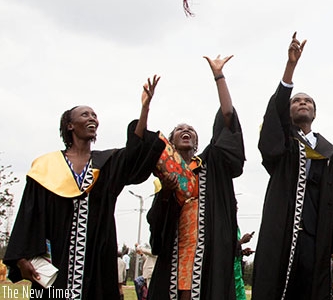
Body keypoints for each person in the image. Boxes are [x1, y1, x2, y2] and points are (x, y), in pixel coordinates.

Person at [3, 76, 166, 299]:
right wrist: (22, 257)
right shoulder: (47, 167)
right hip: (56, 259)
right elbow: (28, 217)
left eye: (94, 115)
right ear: (70, 125)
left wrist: (144, 109)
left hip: (98, 260)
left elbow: (133, 154)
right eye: (85, 114)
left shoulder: (106, 163)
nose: (92, 118)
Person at [252, 33, 333, 300]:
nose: (301, 102)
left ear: (314, 113)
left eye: (307, 101)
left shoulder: (330, 153)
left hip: (316, 235)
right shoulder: (284, 142)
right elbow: (276, 115)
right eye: (296, 101)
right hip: (281, 228)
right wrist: (290, 68)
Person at [147, 55, 245, 300]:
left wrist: (219, 77)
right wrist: (167, 192)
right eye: (180, 129)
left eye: (191, 129)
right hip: (177, 246)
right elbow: (157, 220)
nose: (186, 130)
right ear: (170, 141)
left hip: (210, 248)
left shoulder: (210, 163)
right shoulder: (166, 174)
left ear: (198, 141)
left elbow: (227, 118)